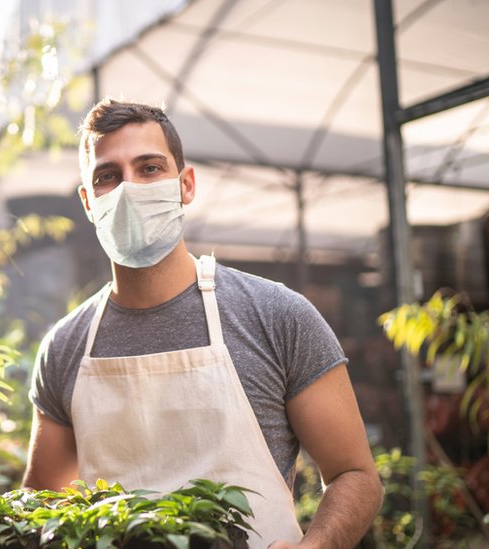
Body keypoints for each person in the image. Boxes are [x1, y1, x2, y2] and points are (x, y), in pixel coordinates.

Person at [23, 99, 382, 548]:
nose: (128, 189)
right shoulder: (65, 347)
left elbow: (354, 473)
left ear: (185, 184)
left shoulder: (276, 316)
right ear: (88, 202)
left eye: (150, 168)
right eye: (107, 176)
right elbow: (43, 503)